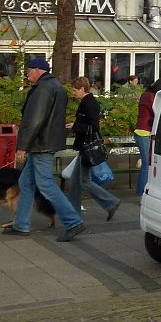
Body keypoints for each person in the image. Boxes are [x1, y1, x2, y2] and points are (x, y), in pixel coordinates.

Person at [5, 58, 86, 241]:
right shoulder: (56, 87)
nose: (27, 74)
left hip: (40, 145)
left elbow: (34, 121)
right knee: (26, 183)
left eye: (28, 71)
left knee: (46, 185)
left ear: (38, 70)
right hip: (45, 143)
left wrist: (22, 147)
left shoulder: (42, 89)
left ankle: (73, 222)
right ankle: (21, 225)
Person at [67, 77, 120, 222]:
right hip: (85, 147)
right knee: (75, 183)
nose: (74, 93)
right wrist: (76, 124)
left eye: (75, 90)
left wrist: (75, 126)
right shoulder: (87, 102)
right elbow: (89, 123)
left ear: (82, 89)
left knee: (83, 181)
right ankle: (74, 215)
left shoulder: (89, 103)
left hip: (87, 147)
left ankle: (111, 202)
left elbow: (94, 127)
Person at [134, 77, 161, 197]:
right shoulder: (149, 96)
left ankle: (144, 191)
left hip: (145, 132)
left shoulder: (147, 94)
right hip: (143, 132)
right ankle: (141, 193)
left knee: (148, 163)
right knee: (146, 164)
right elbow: (157, 112)